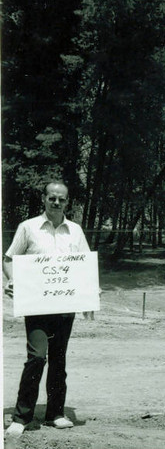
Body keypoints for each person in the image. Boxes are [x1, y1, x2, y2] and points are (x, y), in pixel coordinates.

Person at [3, 180, 90, 438]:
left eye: (61, 199)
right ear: (44, 198)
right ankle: (22, 416)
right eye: (52, 197)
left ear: (67, 202)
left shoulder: (75, 231)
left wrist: (89, 295)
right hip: (37, 305)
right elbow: (9, 259)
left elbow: (84, 266)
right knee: (37, 357)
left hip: (65, 306)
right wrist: (11, 280)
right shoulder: (27, 228)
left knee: (59, 359)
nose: (56, 202)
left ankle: (56, 413)